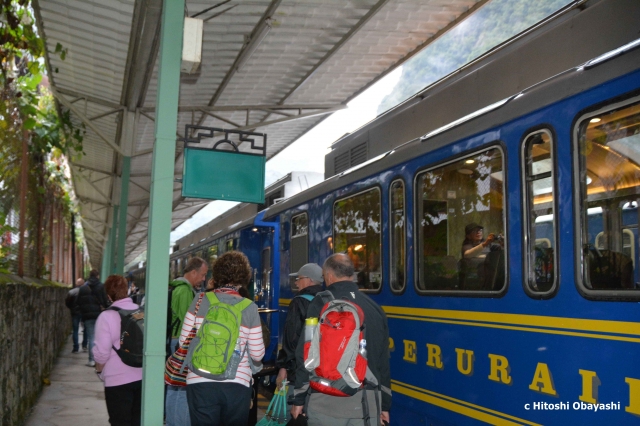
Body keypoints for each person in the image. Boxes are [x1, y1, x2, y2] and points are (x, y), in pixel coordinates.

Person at [291, 253, 391, 426]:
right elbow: (383, 363)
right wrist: (385, 405)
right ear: (352, 276)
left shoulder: (319, 304)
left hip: (325, 404)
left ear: (328, 276)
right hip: (365, 407)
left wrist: (298, 398)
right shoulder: (375, 309)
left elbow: (305, 354)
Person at [183, 251, 265, 426]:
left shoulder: (199, 300)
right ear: (244, 277)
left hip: (199, 381)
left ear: (217, 273)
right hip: (236, 384)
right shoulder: (249, 307)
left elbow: (184, 341)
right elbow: (257, 354)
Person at [94, 275, 143, 426]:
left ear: (108, 295)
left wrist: (99, 370)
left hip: (117, 380)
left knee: (119, 421)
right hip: (142, 376)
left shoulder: (106, 316)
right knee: (137, 420)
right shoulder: (141, 312)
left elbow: (102, 352)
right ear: (126, 290)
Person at [275, 263, 324, 413]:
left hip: (299, 370)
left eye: (299, 279)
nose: (296, 283)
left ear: (309, 280)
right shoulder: (327, 300)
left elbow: (292, 339)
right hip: (320, 370)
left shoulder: (299, 301)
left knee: (292, 413)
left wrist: (283, 368)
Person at [166, 257, 208, 426]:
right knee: (180, 387)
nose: (204, 279)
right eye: (203, 275)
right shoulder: (184, 291)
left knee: (175, 384)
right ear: (193, 272)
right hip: (180, 343)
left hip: (176, 341)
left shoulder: (179, 288)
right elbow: (187, 322)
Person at [77, 269, 109, 367]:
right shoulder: (101, 286)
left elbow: (79, 302)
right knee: (100, 338)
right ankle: (100, 359)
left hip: (87, 316)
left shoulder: (83, 288)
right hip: (99, 315)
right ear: (98, 276)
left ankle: (91, 360)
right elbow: (105, 301)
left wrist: (83, 313)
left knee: (91, 337)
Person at [460, 222, 503, 289]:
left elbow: (502, 251)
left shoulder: (489, 245)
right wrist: (485, 244)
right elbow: (467, 254)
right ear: (468, 236)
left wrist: (503, 243)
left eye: (480, 230)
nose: (478, 232)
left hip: (489, 277)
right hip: (474, 279)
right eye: (474, 231)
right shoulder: (467, 246)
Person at [65, 277, 87, 353]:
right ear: (83, 284)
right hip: (84, 312)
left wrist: (72, 308)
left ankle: (75, 347)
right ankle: (84, 345)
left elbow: (67, 303)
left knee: (75, 330)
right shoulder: (87, 292)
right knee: (86, 329)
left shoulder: (71, 292)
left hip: (75, 313)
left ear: (76, 284)